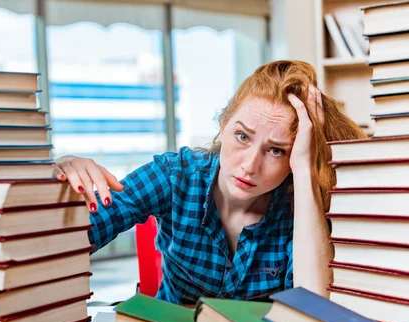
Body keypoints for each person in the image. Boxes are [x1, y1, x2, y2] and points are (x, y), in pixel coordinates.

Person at [53, 60, 368, 304]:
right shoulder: (177, 176)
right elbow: (60, 245)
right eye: (242, 136)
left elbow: (314, 308)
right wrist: (54, 179)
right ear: (224, 124)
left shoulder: (300, 202)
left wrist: (304, 167)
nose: (249, 165)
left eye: (276, 150)